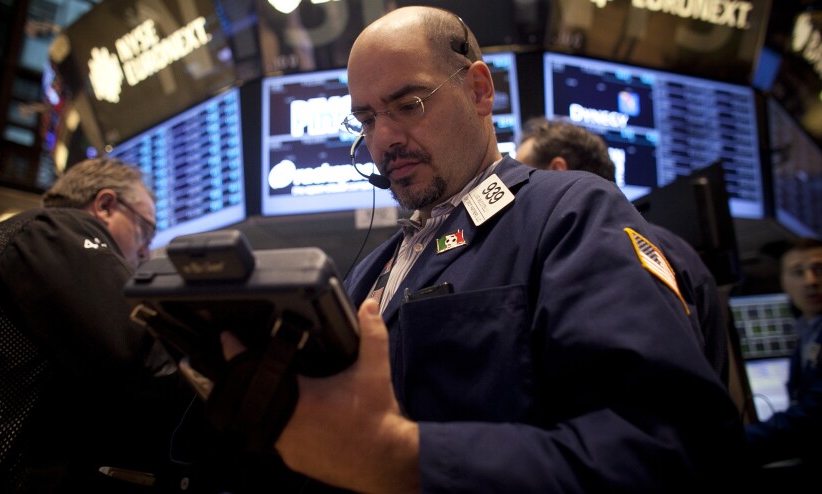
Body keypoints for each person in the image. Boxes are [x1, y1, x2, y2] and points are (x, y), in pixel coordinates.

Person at [217, 6, 743, 493]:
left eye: (408, 105)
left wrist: (405, 459)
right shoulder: (373, 270)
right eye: (368, 120)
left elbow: (670, 445)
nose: (384, 141)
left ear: (479, 90)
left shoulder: (569, 212)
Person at [0, 158, 195, 492]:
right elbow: (143, 358)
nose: (146, 252)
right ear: (105, 205)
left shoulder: (24, 238)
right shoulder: (53, 228)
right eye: (145, 231)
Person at [515, 117, 730, 384]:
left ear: (558, 170)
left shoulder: (591, 245)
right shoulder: (678, 248)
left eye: (524, 175)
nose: (516, 190)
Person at [744, 237, 822, 473]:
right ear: (784, 283)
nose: (810, 281)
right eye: (798, 272)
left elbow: (812, 419)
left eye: (819, 269)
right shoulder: (808, 331)